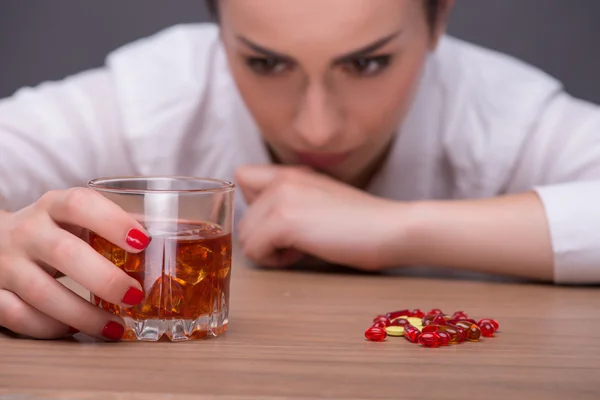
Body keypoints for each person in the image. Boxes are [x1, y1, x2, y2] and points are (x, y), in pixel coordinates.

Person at [0, 0, 599, 341]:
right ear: (220, 31)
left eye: (367, 63)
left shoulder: (499, 107)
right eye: (265, 63)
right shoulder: (156, 93)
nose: (316, 129)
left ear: (439, 19)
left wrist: (397, 228)